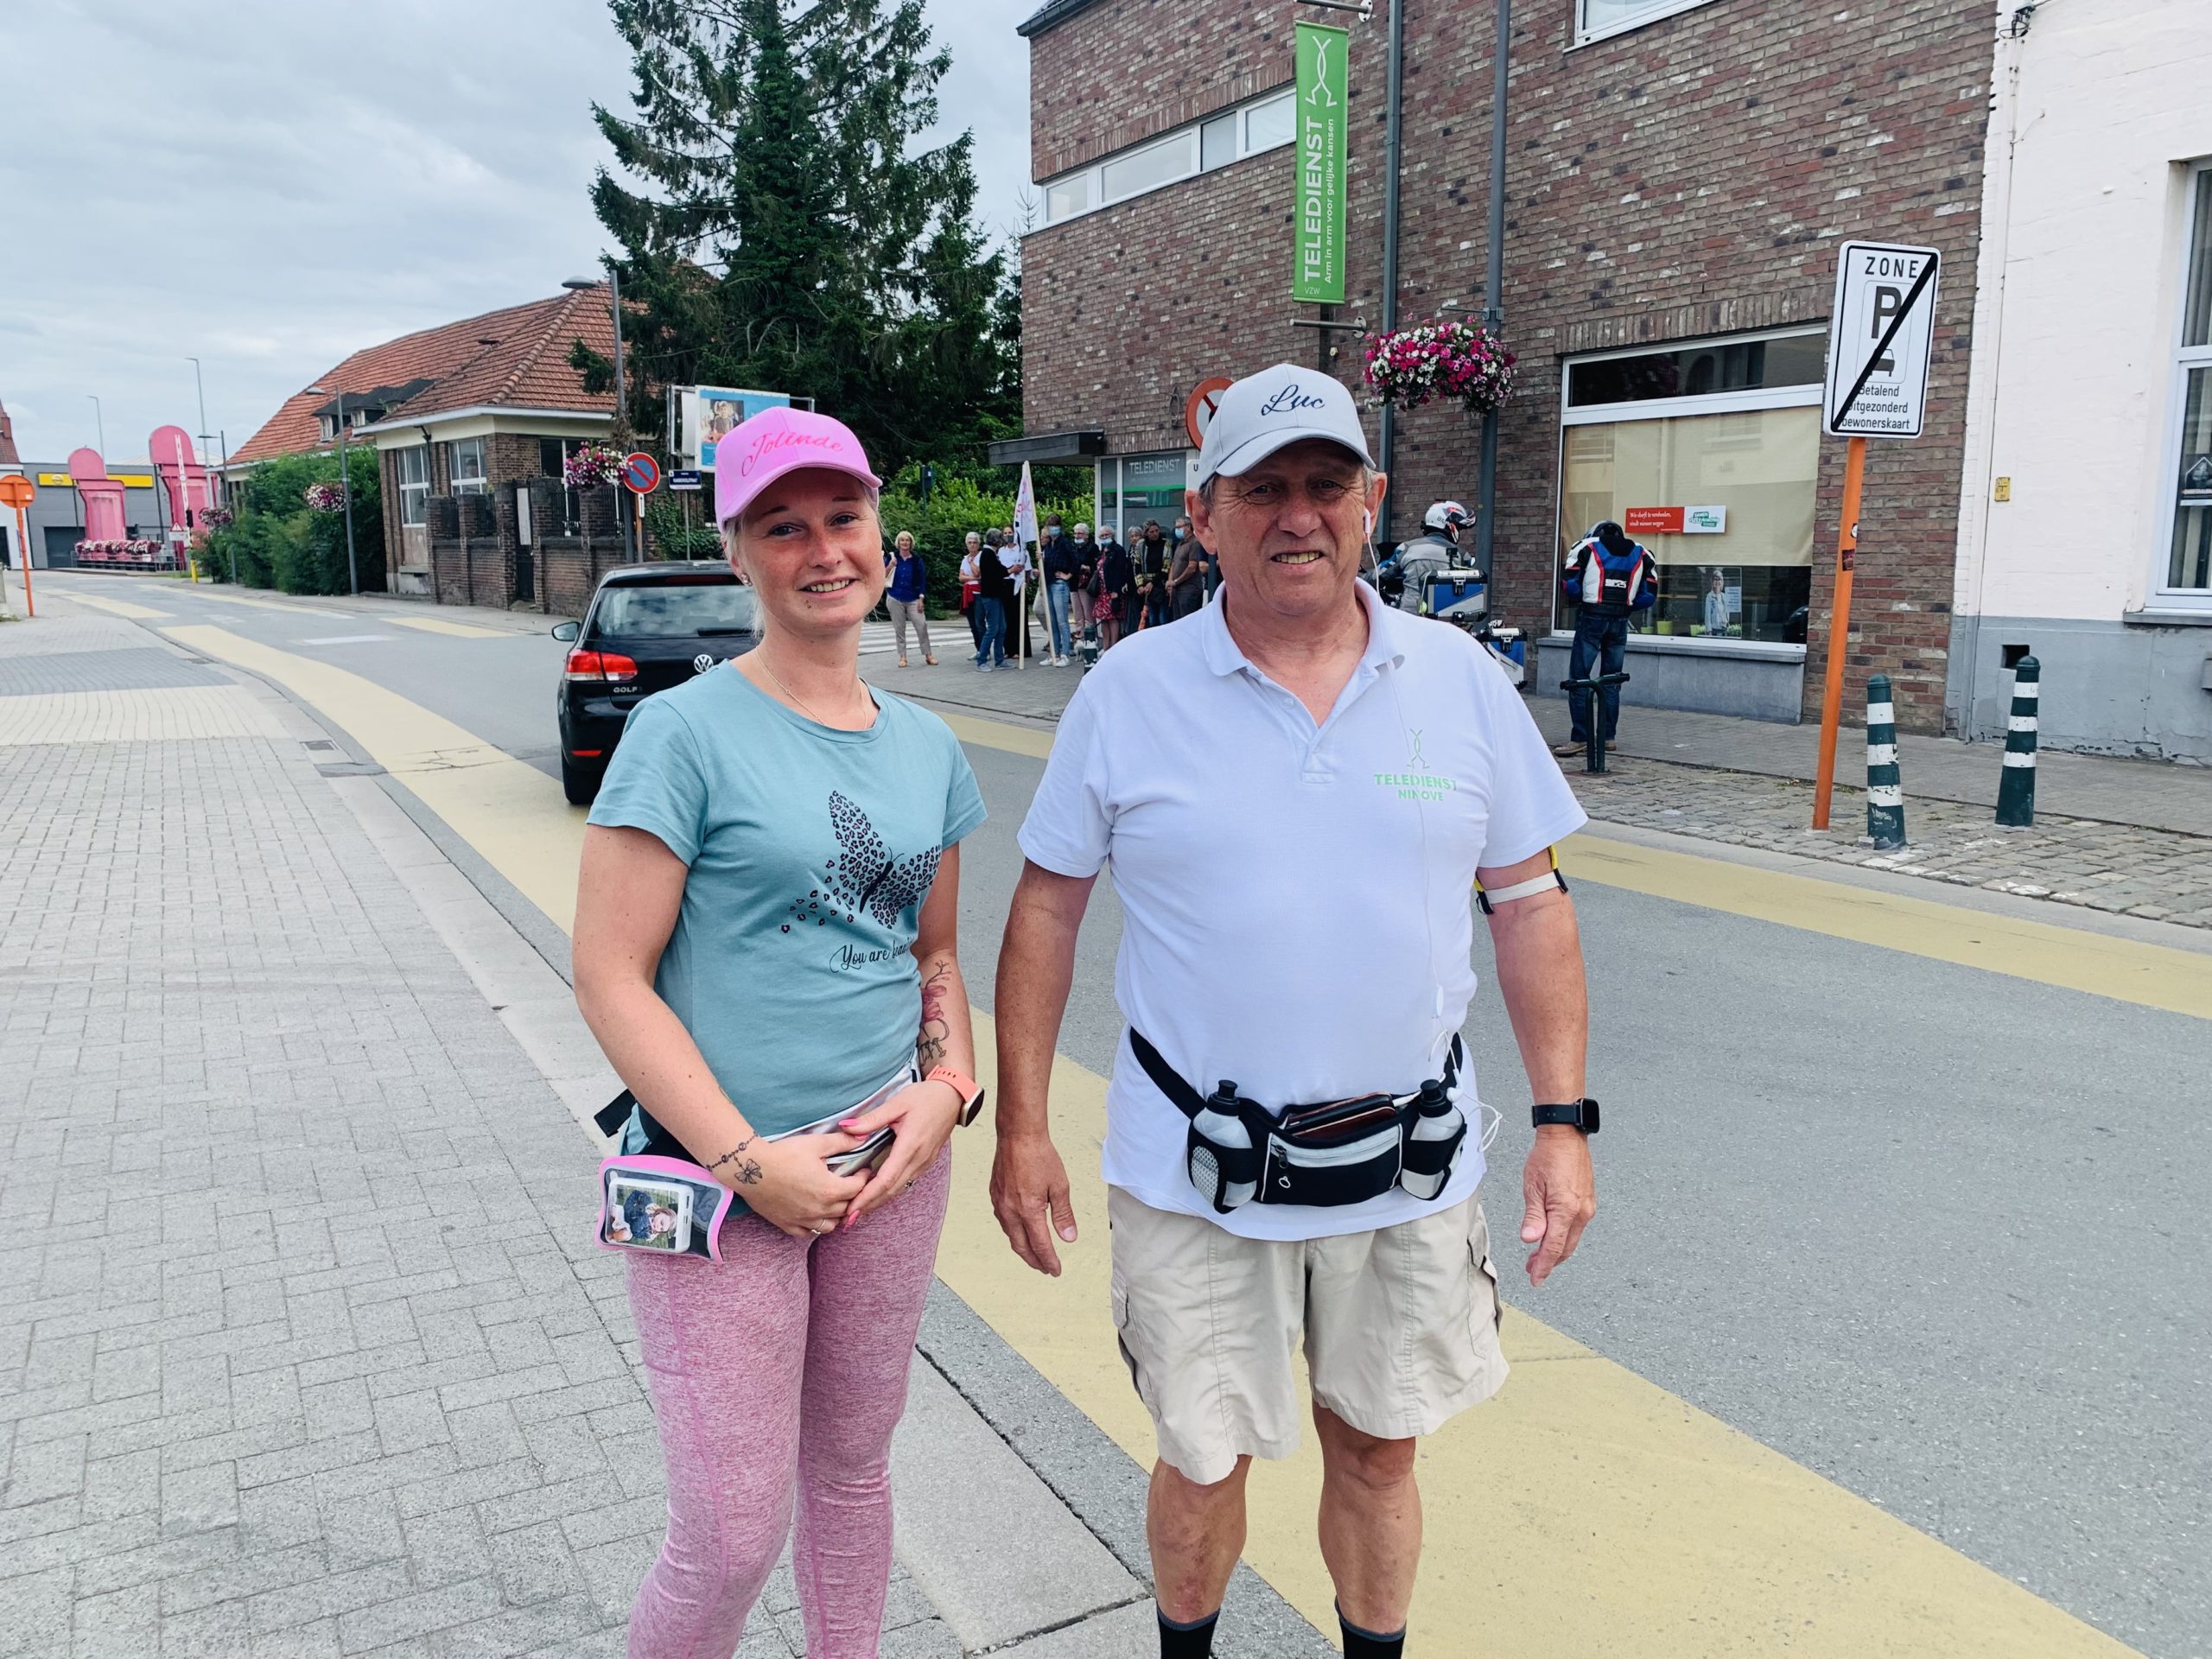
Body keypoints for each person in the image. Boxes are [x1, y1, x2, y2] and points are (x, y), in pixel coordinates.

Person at [988, 365, 1597, 1659]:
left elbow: (1532, 903)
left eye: (1325, 485)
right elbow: (1046, 908)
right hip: (1197, 1172)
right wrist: (1023, 1129)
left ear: (1372, 503)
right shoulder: (1130, 690)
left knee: (1380, 1452)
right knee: (1204, 1457)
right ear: (1205, 516)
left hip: (1411, 1165)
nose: (1297, 514)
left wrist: (1562, 1121)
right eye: (1261, 488)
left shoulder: (1461, 680)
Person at [574, 404, 990, 1659]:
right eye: (784, 525)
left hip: (889, 1158)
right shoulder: (683, 733)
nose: (824, 550)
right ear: (740, 549)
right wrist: (748, 1164)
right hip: (723, 1177)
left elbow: (933, 954)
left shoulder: (928, 747)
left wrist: (949, 1089)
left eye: (843, 518)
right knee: (729, 1535)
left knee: (855, 1475)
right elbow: (609, 976)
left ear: (881, 531)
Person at [1555, 520, 1657, 759]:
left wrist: (1584, 599)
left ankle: (1580, 738)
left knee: (1580, 679)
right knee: (1612, 681)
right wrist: (1626, 604)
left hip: (1592, 616)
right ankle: (1608, 737)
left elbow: (1569, 585)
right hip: (1620, 620)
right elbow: (1649, 594)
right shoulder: (1641, 551)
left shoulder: (1586, 546)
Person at [884, 530, 937, 668]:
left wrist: (921, 597)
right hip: (895, 596)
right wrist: (891, 565)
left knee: (922, 626)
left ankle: (928, 654)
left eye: (907, 540)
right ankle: (903, 657)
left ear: (911, 543)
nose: (905, 543)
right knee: (899, 629)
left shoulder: (916, 560)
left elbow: (921, 580)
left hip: (913, 597)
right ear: (898, 543)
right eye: (902, 540)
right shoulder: (892, 557)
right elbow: (882, 574)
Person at [1041, 515, 1084, 665]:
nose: (1052, 528)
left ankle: (1065, 653)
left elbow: (1076, 560)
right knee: (1052, 621)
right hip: (1049, 583)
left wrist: (1068, 575)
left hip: (1059, 584)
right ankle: (1055, 653)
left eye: (1055, 525)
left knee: (1061, 621)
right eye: (1050, 525)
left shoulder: (1064, 543)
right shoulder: (1049, 545)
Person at [973, 527, 1013, 671]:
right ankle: (982, 660)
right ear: (996, 540)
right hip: (990, 596)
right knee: (993, 628)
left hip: (995, 595)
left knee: (1001, 627)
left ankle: (999, 659)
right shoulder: (988, 554)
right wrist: (1010, 570)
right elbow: (996, 572)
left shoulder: (990, 553)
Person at [1094, 523, 1135, 652]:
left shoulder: (1118, 550)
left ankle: (1114, 646)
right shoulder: (1102, 551)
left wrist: (1116, 591)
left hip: (1113, 590)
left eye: (1107, 535)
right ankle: (1105, 646)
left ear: (1112, 535)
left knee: (1113, 618)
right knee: (1104, 619)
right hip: (1102, 590)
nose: (1104, 538)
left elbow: (1119, 571)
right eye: (1102, 536)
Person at [1166, 517, 1208, 621]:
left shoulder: (1194, 543)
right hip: (1177, 590)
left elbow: (1192, 567)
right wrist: (1170, 581)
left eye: (1179, 527)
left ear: (1188, 527)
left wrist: (1176, 581)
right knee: (1178, 621)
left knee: (1188, 621)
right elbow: (1174, 563)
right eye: (1176, 527)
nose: (1177, 530)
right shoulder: (1180, 544)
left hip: (1189, 590)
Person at [1135, 519, 1173, 630]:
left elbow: (1166, 567)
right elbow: (1137, 565)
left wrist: (1153, 583)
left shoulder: (1165, 544)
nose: (1155, 534)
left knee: (1162, 617)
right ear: (1146, 533)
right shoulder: (1141, 545)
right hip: (1146, 586)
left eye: (1157, 531)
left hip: (1160, 584)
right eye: (1151, 532)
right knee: (1151, 618)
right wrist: (1140, 585)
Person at [959, 532, 985, 656]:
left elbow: (979, 573)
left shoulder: (981, 556)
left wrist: (971, 563)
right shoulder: (965, 558)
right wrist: (971, 578)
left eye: (974, 542)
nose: (972, 545)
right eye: (969, 543)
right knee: (972, 624)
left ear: (978, 544)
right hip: (968, 593)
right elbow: (961, 577)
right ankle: (979, 649)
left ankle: (985, 650)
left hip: (978, 593)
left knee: (980, 623)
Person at [1702, 568, 1731, 637]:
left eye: (1720, 579)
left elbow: (1727, 613)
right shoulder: (1709, 596)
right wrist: (1709, 631)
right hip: (1714, 630)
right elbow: (1707, 615)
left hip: (1724, 630)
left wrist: (1728, 626)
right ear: (1712, 581)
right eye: (1715, 579)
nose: (1718, 582)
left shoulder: (1724, 596)